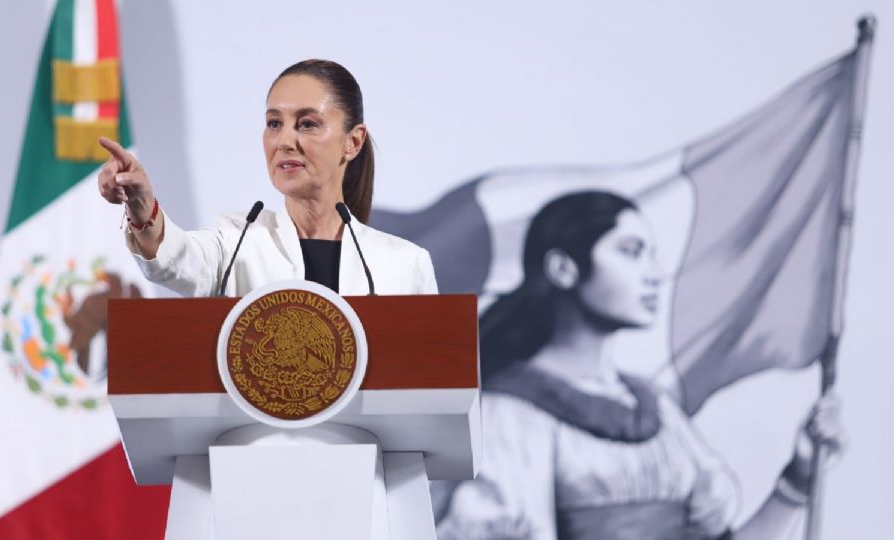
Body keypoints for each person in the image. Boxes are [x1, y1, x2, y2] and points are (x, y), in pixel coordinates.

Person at [432, 191, 844, 539]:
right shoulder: (511, 413)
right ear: (563, 268)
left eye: (652, 254)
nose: (654, 274)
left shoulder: (657, 408)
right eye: (631, 252)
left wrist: (797, 479)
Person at [96, 59, 437, 297]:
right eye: (274, 123)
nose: (285, 141)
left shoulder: (404, 266)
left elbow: (433, 384)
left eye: (307, 123)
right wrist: (141, 205)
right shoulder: (237, 242)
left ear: (353, 141)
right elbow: (176, 260)